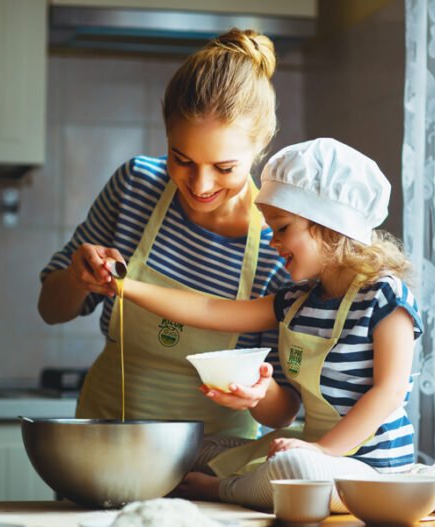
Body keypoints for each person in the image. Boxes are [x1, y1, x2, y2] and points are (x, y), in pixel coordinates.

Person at [107, 138, 424, 512]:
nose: (273, 242)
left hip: (372, 472)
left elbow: (388, 392)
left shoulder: (385, 296)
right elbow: (209, 310)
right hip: (313, 450)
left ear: (329, 226)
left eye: (283, 228)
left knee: (297, 468)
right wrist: (123, 285)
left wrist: (322, 450)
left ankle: (224, 490)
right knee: (195, 448)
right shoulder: (296, 301)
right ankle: (244, 480)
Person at [37, 28, 297, 457]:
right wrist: (77, 277)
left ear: (260, 147)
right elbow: (50, 309)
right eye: (183, 159)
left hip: (210, 464)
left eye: (225, 167)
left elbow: (283, 409)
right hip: (102, 444)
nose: (200, 184)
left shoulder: (278, 241)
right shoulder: (135, 186)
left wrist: (258, 394)